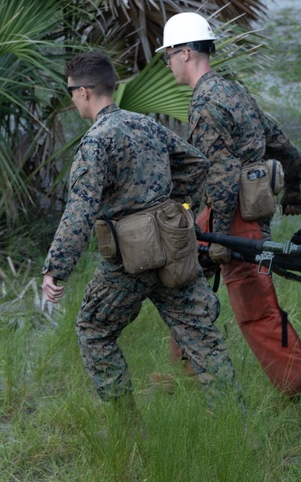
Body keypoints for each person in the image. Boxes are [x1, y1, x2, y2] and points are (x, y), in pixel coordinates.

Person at [41, 52, 239, 413]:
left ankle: (125, 429)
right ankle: (234, 426)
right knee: (201, 336)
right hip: (173, 245)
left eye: (70, 92)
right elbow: (196, 163)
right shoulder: (144, 124)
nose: (71, 99)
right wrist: (178, 209)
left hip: (128, 262)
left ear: (84, 92)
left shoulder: (96, 141)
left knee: (93, 329)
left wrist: (56, 268)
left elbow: (80, 210)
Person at [158, 12, 301, 397]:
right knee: (181, 276)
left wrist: (217, 236)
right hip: (236, 212)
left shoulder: (205, 104)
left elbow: (222, 174)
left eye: (168, 55)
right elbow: (286, 148)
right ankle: (188, 372)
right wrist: (293, 190)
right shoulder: (234, 92)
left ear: (184, 53)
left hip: (234, 218)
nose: (166, 63)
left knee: (256, 310)